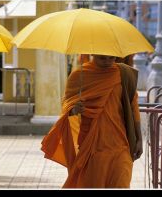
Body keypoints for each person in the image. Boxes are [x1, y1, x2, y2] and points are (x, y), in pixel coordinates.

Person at [41, 54, 143, 188]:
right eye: (102, 58)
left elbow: (133, 107)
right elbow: (67, 105)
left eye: (111, 58)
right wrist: (74, 109)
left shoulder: (124, 74)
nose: (107, 61)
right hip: (93, 147)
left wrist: (139, 139)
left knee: (121, 183)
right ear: (93, 54)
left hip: (120, 145)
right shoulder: (80, 76)